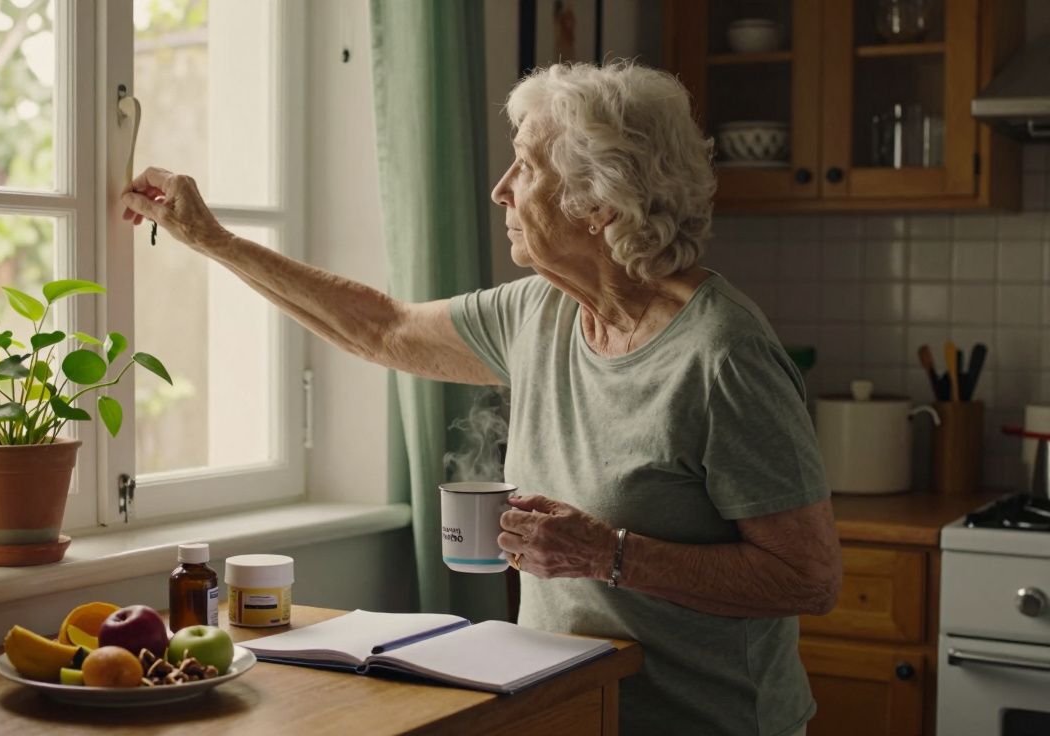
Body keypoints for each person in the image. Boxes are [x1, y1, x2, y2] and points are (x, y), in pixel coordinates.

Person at [120, 60, 841, 736]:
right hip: (571, 709)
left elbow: (806, 577)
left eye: (525, 166)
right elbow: (383, 329)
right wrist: (210, 239)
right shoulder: (540, 312)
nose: (500, 188)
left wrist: (610, 555)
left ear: (597, 203)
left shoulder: (723, 355)